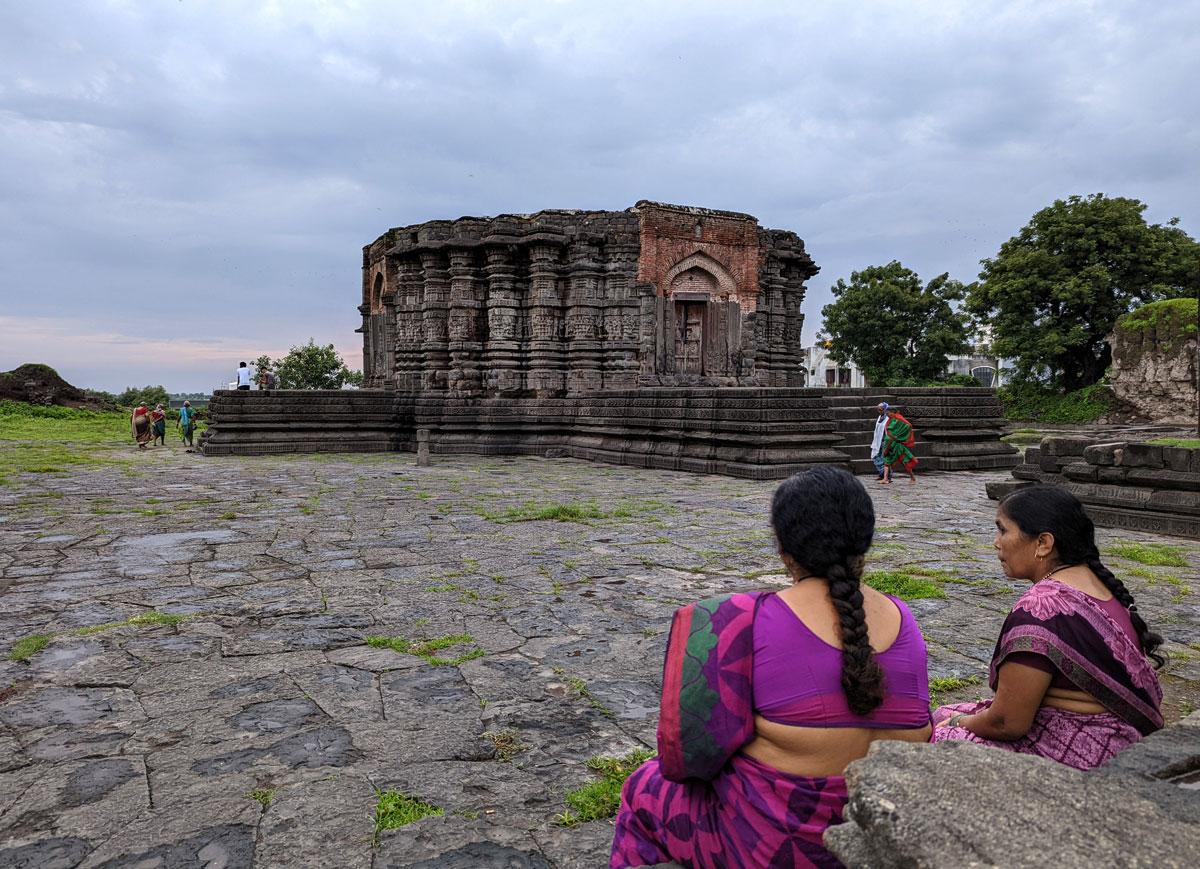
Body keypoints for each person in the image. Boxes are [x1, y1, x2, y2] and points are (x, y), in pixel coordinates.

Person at [610, 466, 932, 868]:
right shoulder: (905, 618)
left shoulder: (738, 620)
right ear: (864, 540)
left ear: (783, 546)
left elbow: (685, 759)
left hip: (775, 848)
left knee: (643, 786)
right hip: (877, 835)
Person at [932, 484, 1163, 770]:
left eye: (1003, 530)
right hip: (1120, 734)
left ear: (1043, 543)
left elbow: (1007, 723)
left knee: (933, 734)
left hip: (1085, 748)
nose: (996, 542)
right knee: (941, 711)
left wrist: (958, 722)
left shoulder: (1041, 609)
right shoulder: (1095, 582)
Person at [880, 406, 917, 484]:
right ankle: (885, 478)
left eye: (888, 413)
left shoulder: (898, 420)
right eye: (886, 413)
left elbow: (908, 425)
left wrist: (900, 437)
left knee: (904, 461)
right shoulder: (891, 420)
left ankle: (912, 477)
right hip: (889, 443)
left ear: (893, 412)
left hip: (896, 445)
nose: (887, 415)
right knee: (887, 461)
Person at [869, 402, 889, 480]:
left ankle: (887, 476)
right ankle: (881, 473)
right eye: (878, 410)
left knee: (885, 459)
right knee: (876, 457)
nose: (879, 411)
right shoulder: (879, 417)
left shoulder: (888, 418)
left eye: (880, 409)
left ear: (885, 409)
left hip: (885, 441)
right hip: (878, 441)